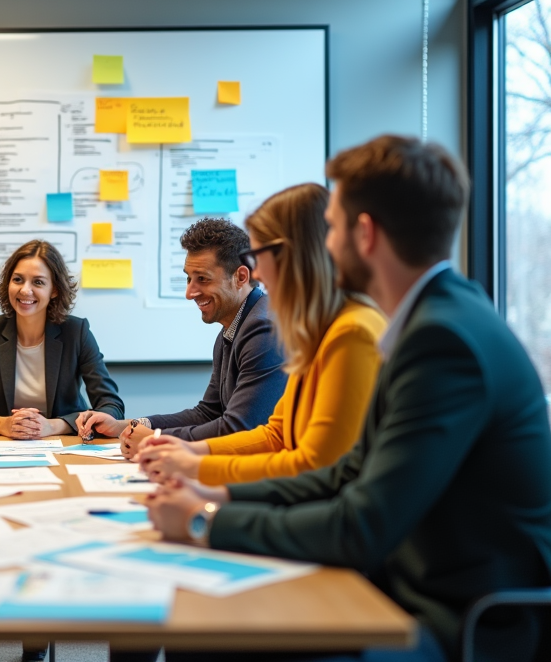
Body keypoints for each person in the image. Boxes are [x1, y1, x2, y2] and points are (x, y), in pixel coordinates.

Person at [145, 136, 551, 662]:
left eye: (331, 226)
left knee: (213, 643)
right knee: (204, 636)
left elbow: (361, 525)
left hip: (458, 623)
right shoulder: (431, 321)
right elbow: (346, 473)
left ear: (365, 234)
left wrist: (205, 521)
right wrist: (221, 499)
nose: (324, 242)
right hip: (404, 585)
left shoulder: (441, 342)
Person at [135, 184, 385, 486]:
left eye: (258, 255)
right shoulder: (316, 331)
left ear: (291, 256)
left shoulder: (351, 332)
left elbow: (315, 466)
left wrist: (196, 469)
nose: (258, 273)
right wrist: (188, 450)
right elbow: (276, 434)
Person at [76, 217, 286, 457]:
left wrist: (155, 440)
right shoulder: (232, 329)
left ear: (240, 277)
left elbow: (238, 429)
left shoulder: (263, 331)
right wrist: (124, 426)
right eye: (188, 278)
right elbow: (207, 413)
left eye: (203, 279)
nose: (189, 293)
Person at [0, 239, 125, 439]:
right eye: (17, 279)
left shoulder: (76, 332)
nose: (25, 290)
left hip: (66, 443)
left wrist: (53, 426)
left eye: (38, 282)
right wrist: (4, 424)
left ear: (54, 290)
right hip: (3, 444)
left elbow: (112, 407)